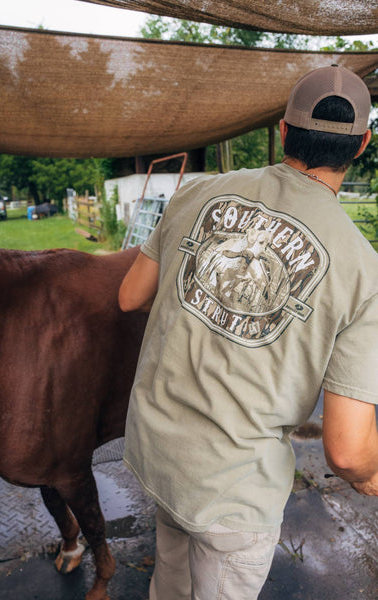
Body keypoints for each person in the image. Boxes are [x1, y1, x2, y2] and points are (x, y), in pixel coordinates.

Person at [118, 65, 378, 599]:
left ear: (284, 131)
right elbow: (348, 451)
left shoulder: (200, 192)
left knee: (169, 580)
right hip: (235, 491)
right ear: (362, 145)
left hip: (158, 454)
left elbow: (129, 296)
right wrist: (369, 476)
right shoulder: (363, 269)